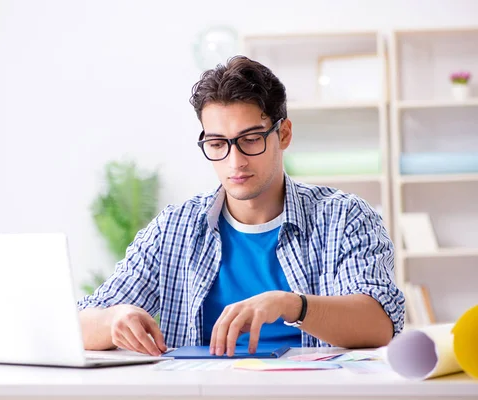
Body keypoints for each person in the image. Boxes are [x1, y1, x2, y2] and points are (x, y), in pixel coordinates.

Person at [77, 56, 405, 357]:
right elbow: (78, 323)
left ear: (284, 134)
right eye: (217, 144)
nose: (236, 161)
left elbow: (380, 324)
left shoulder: (344, 217)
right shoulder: (175, 227)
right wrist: (113, 319)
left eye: (250, 140)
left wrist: (291, 305)